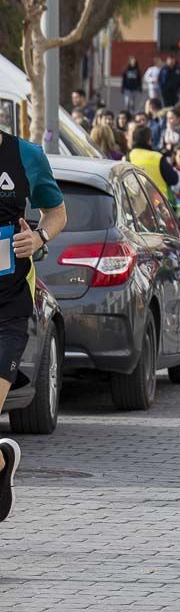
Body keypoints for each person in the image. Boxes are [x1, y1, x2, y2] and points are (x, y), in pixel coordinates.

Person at [0, 126, 67, 526]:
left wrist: (38, 238)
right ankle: (3, 459)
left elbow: (57, 214)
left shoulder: (25, 155)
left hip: (6, 308)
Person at [129, 126, 179, 199]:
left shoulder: (126, 157)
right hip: (159, 204)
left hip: (135, 204)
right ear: (149, 140)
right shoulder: (157, 157)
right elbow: (174, 179)